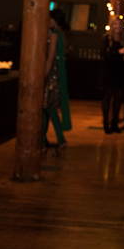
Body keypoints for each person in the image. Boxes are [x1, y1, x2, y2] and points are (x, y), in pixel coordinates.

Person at [43, 9, 72, 155]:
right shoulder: (63, 35)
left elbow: (50, 58)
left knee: (48, 108)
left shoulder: (54, 35)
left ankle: (60, 139)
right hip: (57, 76)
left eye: (50, 19)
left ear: (55, 20)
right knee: (47, 108)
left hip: (51, 77)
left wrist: (44, 75)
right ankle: (43, 141)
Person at [100, 19, 124, 134]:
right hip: (109, 72)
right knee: (107, 98)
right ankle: (105, 123)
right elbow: (103, 54)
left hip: (120, 73)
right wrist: (119, 52)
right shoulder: (106, 39)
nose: (118, 26)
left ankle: (115, 123)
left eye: (120, 24)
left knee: (118, 99)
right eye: (116, 24)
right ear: (112, 26)